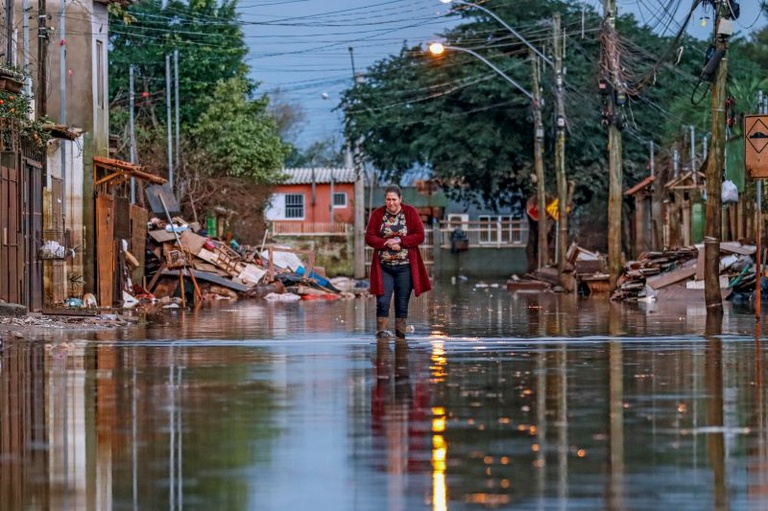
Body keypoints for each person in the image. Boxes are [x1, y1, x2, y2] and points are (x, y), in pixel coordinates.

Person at [365, 184, 432, 339]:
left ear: (400, 199)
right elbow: (369, 237)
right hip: (384, 267)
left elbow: (420, 235)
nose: (391, 203)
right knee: (382, 301)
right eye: (388, 199)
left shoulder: (410, 212)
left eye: (394, 199)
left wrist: (401, 242)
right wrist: (386, 243)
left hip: (405, 267)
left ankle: (400, 335)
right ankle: (381, 333)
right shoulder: (377, 214)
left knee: (402, 303)